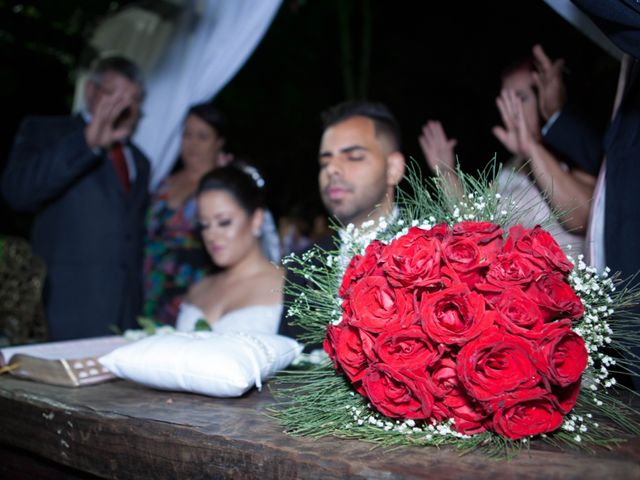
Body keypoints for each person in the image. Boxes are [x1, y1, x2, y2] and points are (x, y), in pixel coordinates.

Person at [1, 56, 150, 341]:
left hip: (125, 316)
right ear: (90, 92)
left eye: (133, 99)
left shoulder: (140, 160)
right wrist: (88, 142)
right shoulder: (45, 132)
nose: (123, 107)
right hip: (64, 311)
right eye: (113, 95)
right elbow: (17, 192)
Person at [419, 55, 595, 256]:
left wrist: (532, 147)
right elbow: (478, 227)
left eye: (521, 98)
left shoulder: (576, 153)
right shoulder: (512, 166)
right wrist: (445, 172)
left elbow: (584, 217)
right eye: (506, 99)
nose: (513, 110)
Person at [278, 100, 406, 342]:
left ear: (393, 168)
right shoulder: (304, 266)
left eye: (353, 157)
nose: (332, 169)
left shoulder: (436, 246)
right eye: (325, 162)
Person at [143, 102, 228, 325]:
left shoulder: (222, 186)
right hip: (149, 290)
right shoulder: (163, 182)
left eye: (202, 136)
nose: (193, 144)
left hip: (194, 293)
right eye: (187, 135)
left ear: (219, 142)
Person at [175, 164, 283, 334]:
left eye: (224, 222)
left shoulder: (287, 287)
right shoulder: (198, 289)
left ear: (256, 220)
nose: (211, 235)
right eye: (204, 225)